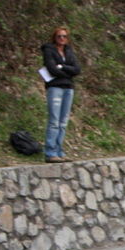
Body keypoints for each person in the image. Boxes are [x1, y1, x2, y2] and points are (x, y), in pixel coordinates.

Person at [40, 26, 81, 163]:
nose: (62, 38)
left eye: (64, 36)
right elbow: (52, 69)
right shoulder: (49, 50)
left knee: (63, 122)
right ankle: (50, 152)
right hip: (55, 87)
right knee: (54, 121)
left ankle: (59, 151)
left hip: (68, 87)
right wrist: (68, 72)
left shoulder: (69, 51)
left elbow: (77, 69)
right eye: (59, 36)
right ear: (55, 37)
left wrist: (62, 67)